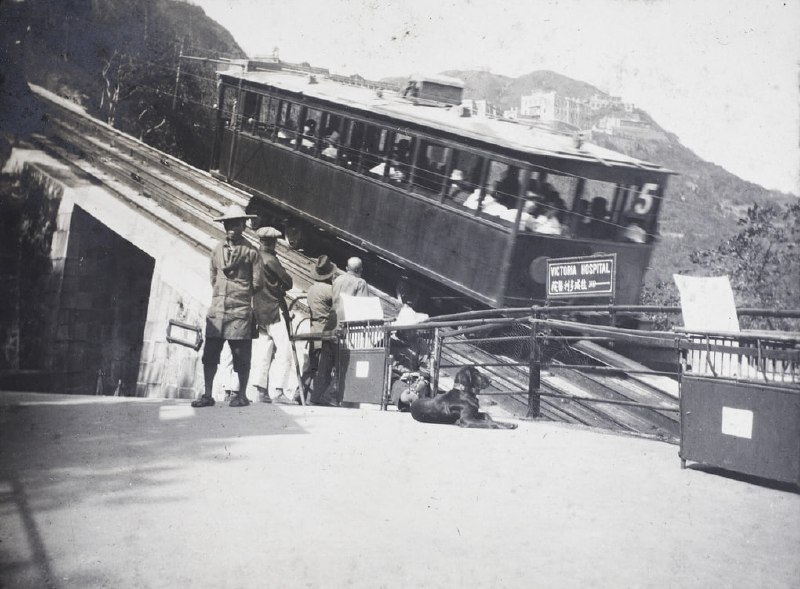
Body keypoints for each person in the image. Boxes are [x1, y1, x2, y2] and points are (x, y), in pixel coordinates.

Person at [192, 204, 260, 409]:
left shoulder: (251, 252)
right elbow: (213, 278)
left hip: (239, 311)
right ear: (224, 226)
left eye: (236, 224)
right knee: (210, 355)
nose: (232, 228)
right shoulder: (216, 251)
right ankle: (207, 394)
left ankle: (241, 395)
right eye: (228, 224)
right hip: (217, 311)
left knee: (241, 356)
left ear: (244, 226)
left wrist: (238, 292)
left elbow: (258, 283)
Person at [251, 226, 295, 404]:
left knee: (264, 350)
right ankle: (278, 390)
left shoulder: (254, 258)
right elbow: (288, 282)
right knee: (284, 351)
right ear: (273, 242)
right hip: (274, 310)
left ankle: (260, 391)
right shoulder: (271, 260)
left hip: (259, 310)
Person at [306, 255, 339, 406]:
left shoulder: (312, 288)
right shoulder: (329, 290)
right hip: (325, 333)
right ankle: (317, 398)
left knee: (311, 367)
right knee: (324, 369)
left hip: (313, 331)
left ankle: (300, 395)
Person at [332, 257, 370, 328]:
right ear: (360, 269)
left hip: (334, 321)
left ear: (347, 268)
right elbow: (363, 307)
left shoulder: (338, 279)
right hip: (348, 325)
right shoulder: (361, 282)